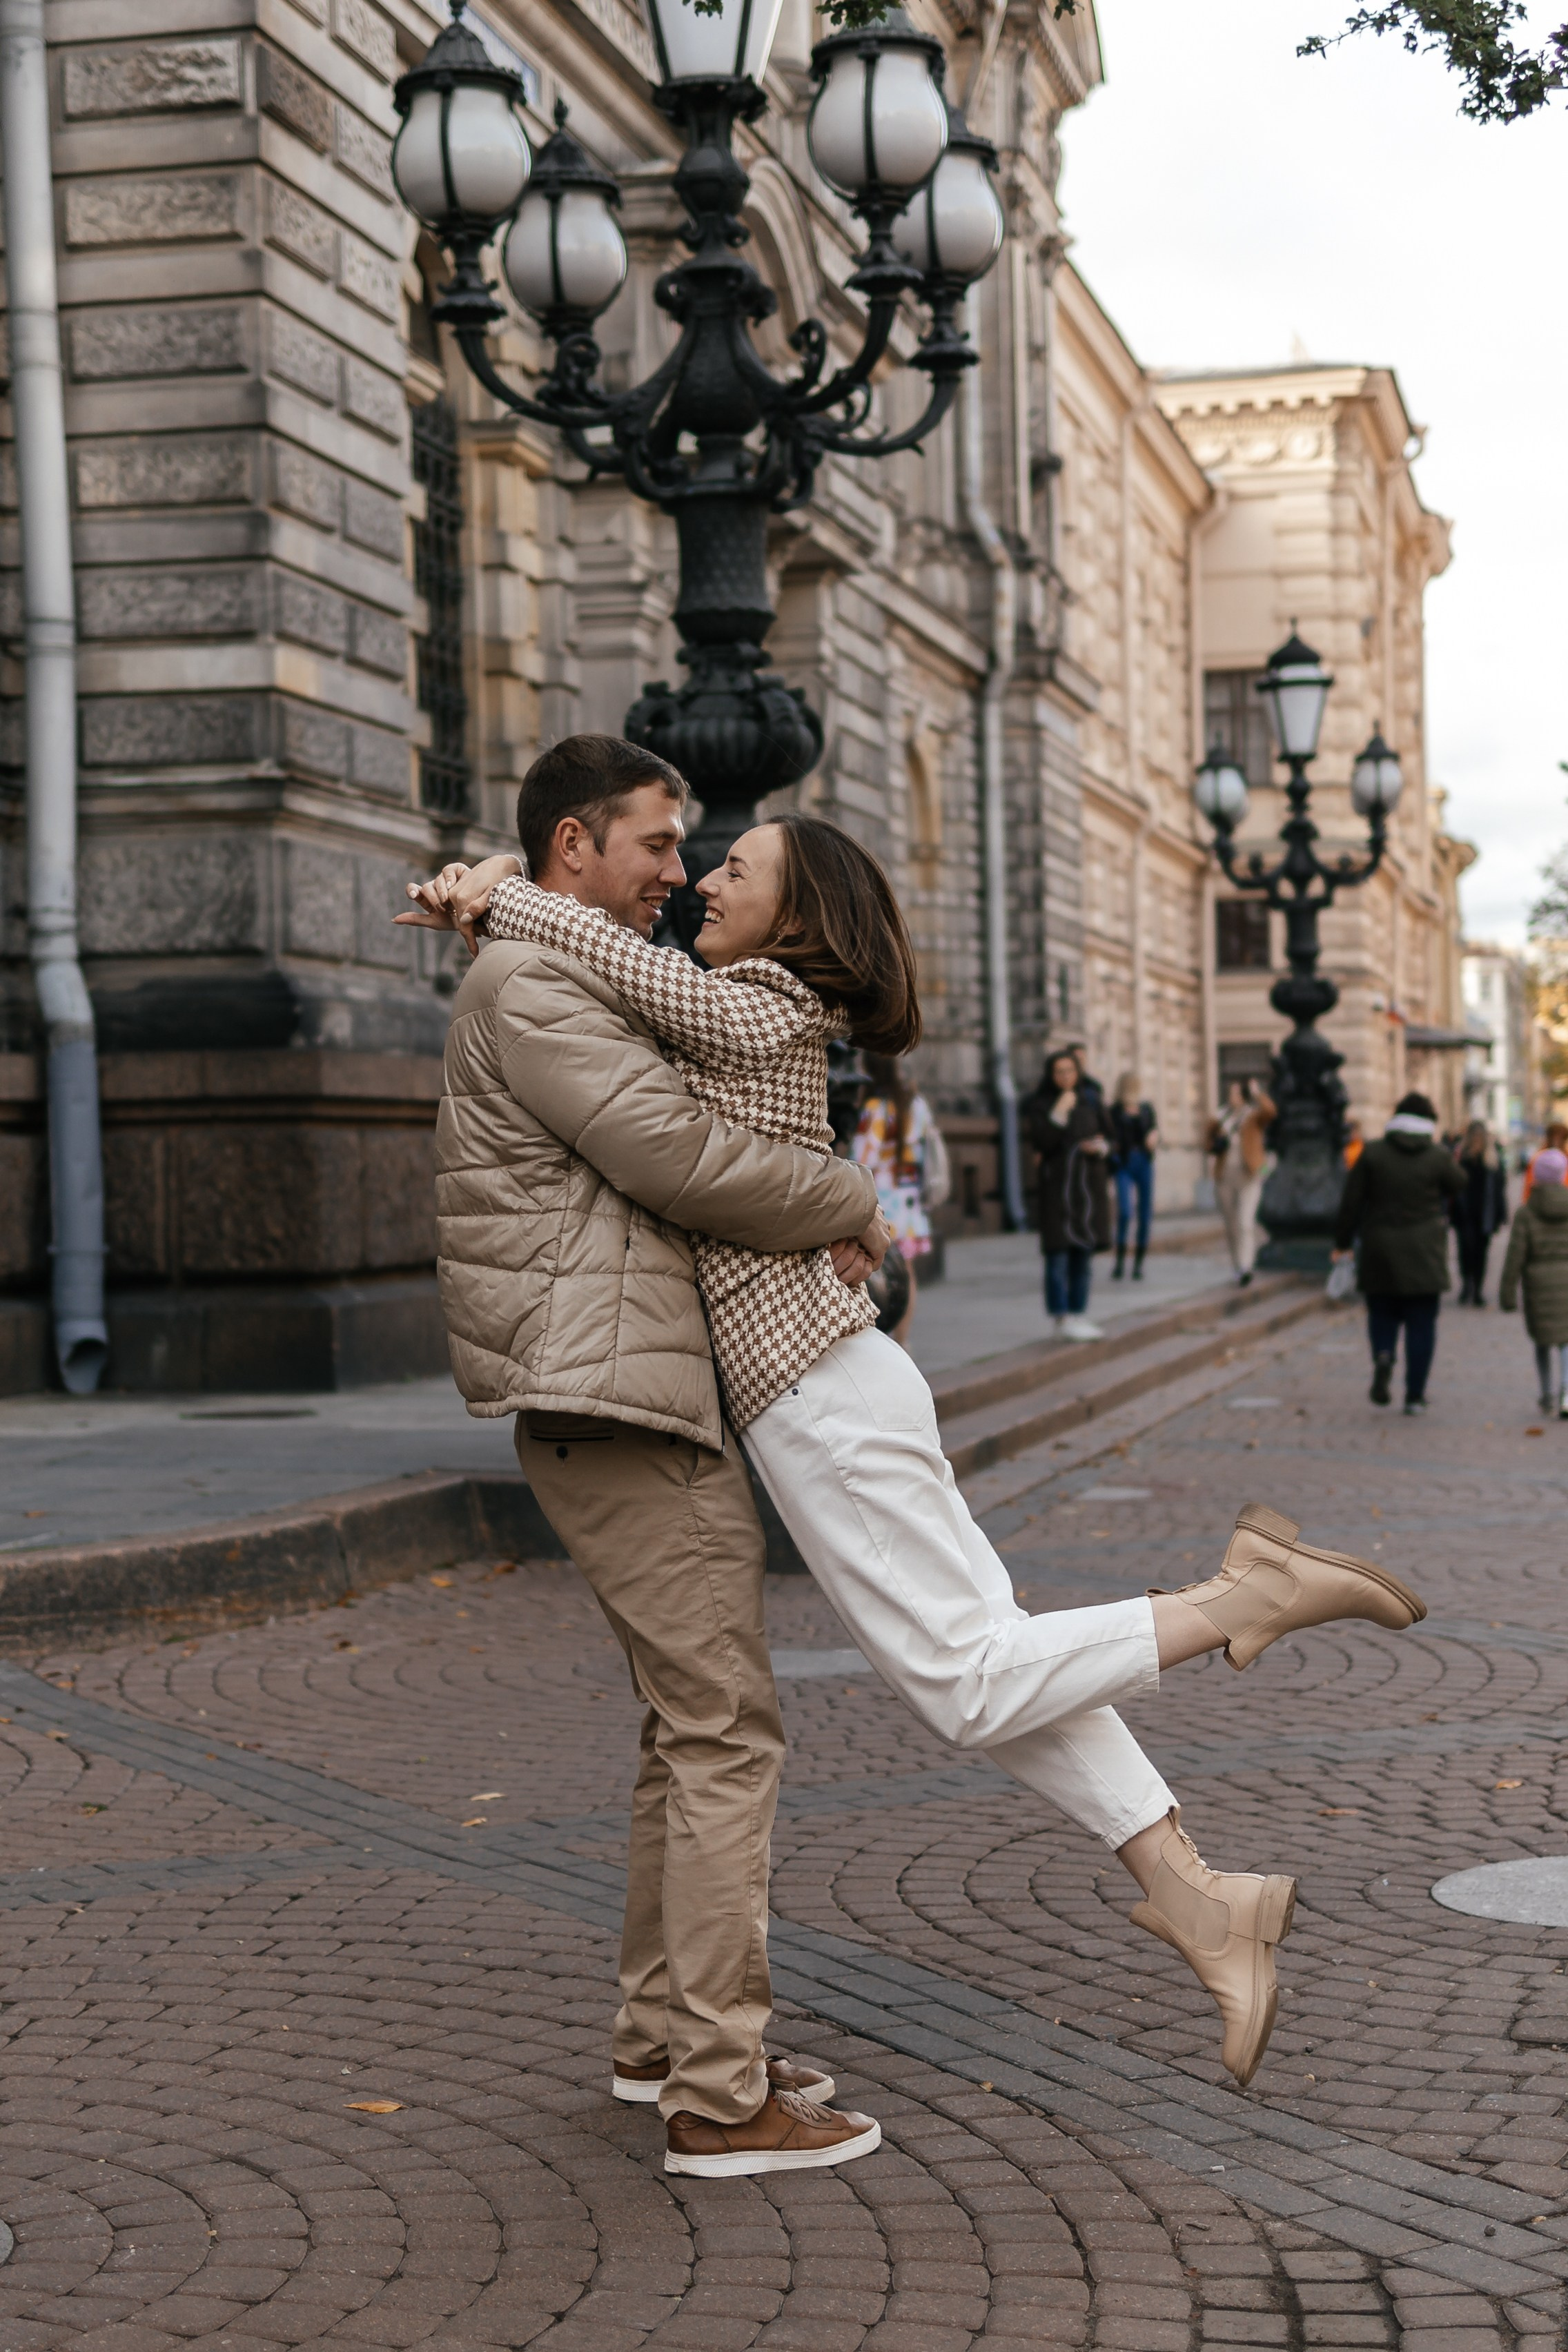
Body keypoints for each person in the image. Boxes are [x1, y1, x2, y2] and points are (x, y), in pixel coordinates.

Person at [420, 815, 1429, 2092]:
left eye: (735, 868)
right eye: (699, 858)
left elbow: (642, 1005)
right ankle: (1199, 1901)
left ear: (795, 919)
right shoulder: (760, 1007)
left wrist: (501, 888)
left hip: (818, 1399)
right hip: (837, 1387)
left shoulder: (759, 994)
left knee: (969, 1681)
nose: (702, 882)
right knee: (1001, 1665)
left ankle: (1240, 1597)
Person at [398, 736, 890, 2180]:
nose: (676, 875)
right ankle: (720, 2100)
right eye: (657, 845)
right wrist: (847, 1196)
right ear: (572, 848)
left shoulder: (556, 964)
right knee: (727, 1733)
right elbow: (677, 1156)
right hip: (610, 1390)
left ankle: (659, 2040)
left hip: (621, 1377)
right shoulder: (537, 981)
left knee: (687, 1732)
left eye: (688, 851)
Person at [1333, 1090, 1465, 1416]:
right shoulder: (1436, 1156)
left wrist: (1343, 1243)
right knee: (1422, 1324)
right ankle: (1414, 1396)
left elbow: (1351, 1202)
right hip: (1424, 1254)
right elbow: (1460, 1183)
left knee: (1382, 1312)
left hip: (1379, 1249)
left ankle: (1383, 1354)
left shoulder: (1373, 1153)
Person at [1022, 1050, 1114, 1340]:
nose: (1065, 1077)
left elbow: (1111, 1137)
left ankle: (1079, 1312)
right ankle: (1061, 1316)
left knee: (1083, 1255)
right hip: (1058, 1192)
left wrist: (1100, 1147)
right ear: (1051, 1075)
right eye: (1059, 1071)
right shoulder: (1042, 1105)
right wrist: (1059, 1113)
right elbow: (1042, 1142)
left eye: (1070, 1071)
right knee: (1058, 1255)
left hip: (1087, 1193)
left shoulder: (1091, 1100)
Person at [852, 1052, 941, 1344]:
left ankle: (885, 1337)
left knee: (875, 1270)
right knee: (907, 1274)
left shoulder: (877, 1108)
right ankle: (903, 1340)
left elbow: (864, 1157)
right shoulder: (916, 1104)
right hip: (909, 1199)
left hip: (882, 1200)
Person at [1498, 1146, 1568, 1416]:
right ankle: (1566, 1391)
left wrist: (1507, 1292)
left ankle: (1546, 1393)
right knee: (1566, 1340)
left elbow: (1515, 1255)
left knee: (1541, 1340)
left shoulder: (1526, 1213)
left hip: (1537, 1284)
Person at [1208, 1078, 1276, 1287]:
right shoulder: (1219, 1117)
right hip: (1225, 1176)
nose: (1233, 1097)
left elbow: (1271, 1112)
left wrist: (1258, 1093)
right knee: (1231, 1226)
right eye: (1230, 1093)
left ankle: (1247, 1266)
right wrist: (1216, 1142)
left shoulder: (1253, 1116)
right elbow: (1206, 1142)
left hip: (1249, 1176)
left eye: (1237, 1093)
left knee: (1245, 1222)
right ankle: (1238, 1266)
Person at [1450, 1119, 1508, 1305]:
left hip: (1485, 1213)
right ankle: (1467, 1285)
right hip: (1464, 1213)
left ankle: (1477, 1290)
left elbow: (1499, 1188)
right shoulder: (1461, 1156)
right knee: (1465, 1251)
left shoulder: (1491, 1158)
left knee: (1481, 1253)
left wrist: (1501, 1213)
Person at [1108, 1072, 1159, 1281]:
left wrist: (1154, 1137)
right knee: (1125, 1211)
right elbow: (1110, 1136)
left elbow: (1155, 1131)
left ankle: (1138, 1264)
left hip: (1144, 1163)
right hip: (1124, 1163)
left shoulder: (1146, 1109)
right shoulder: (1114, 1111)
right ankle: (1120, 1262)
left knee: (1145, 1214)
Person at [1522, 1121, 1568, 1202]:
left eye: (1560, 1138)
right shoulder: (1537, 1159)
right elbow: (1529, 1187)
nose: (1556, 1142)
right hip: (1542, 1203)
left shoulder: (1537, 1158)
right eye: (1554, 1137)